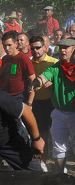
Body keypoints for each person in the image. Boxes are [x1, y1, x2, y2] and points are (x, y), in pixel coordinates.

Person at [31, 38, 75, 173]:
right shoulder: (56, 67)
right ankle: (61, 176)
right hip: (59, 113)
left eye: (66, 47)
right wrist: (37, 81)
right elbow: (44, 76)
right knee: (58, 148)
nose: (62, 50)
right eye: (60, 47)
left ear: (73, 49)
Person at [29, 35, 58, 172]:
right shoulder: (29, 63)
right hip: (36, 103)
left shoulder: (54, 63)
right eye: (32, 48)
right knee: (41, 134)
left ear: (45, 48)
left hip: (52, 103)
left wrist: (54, 81)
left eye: (38, 47)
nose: (35, 50)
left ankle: (59, 163)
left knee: (57, 134)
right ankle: (42, 162)